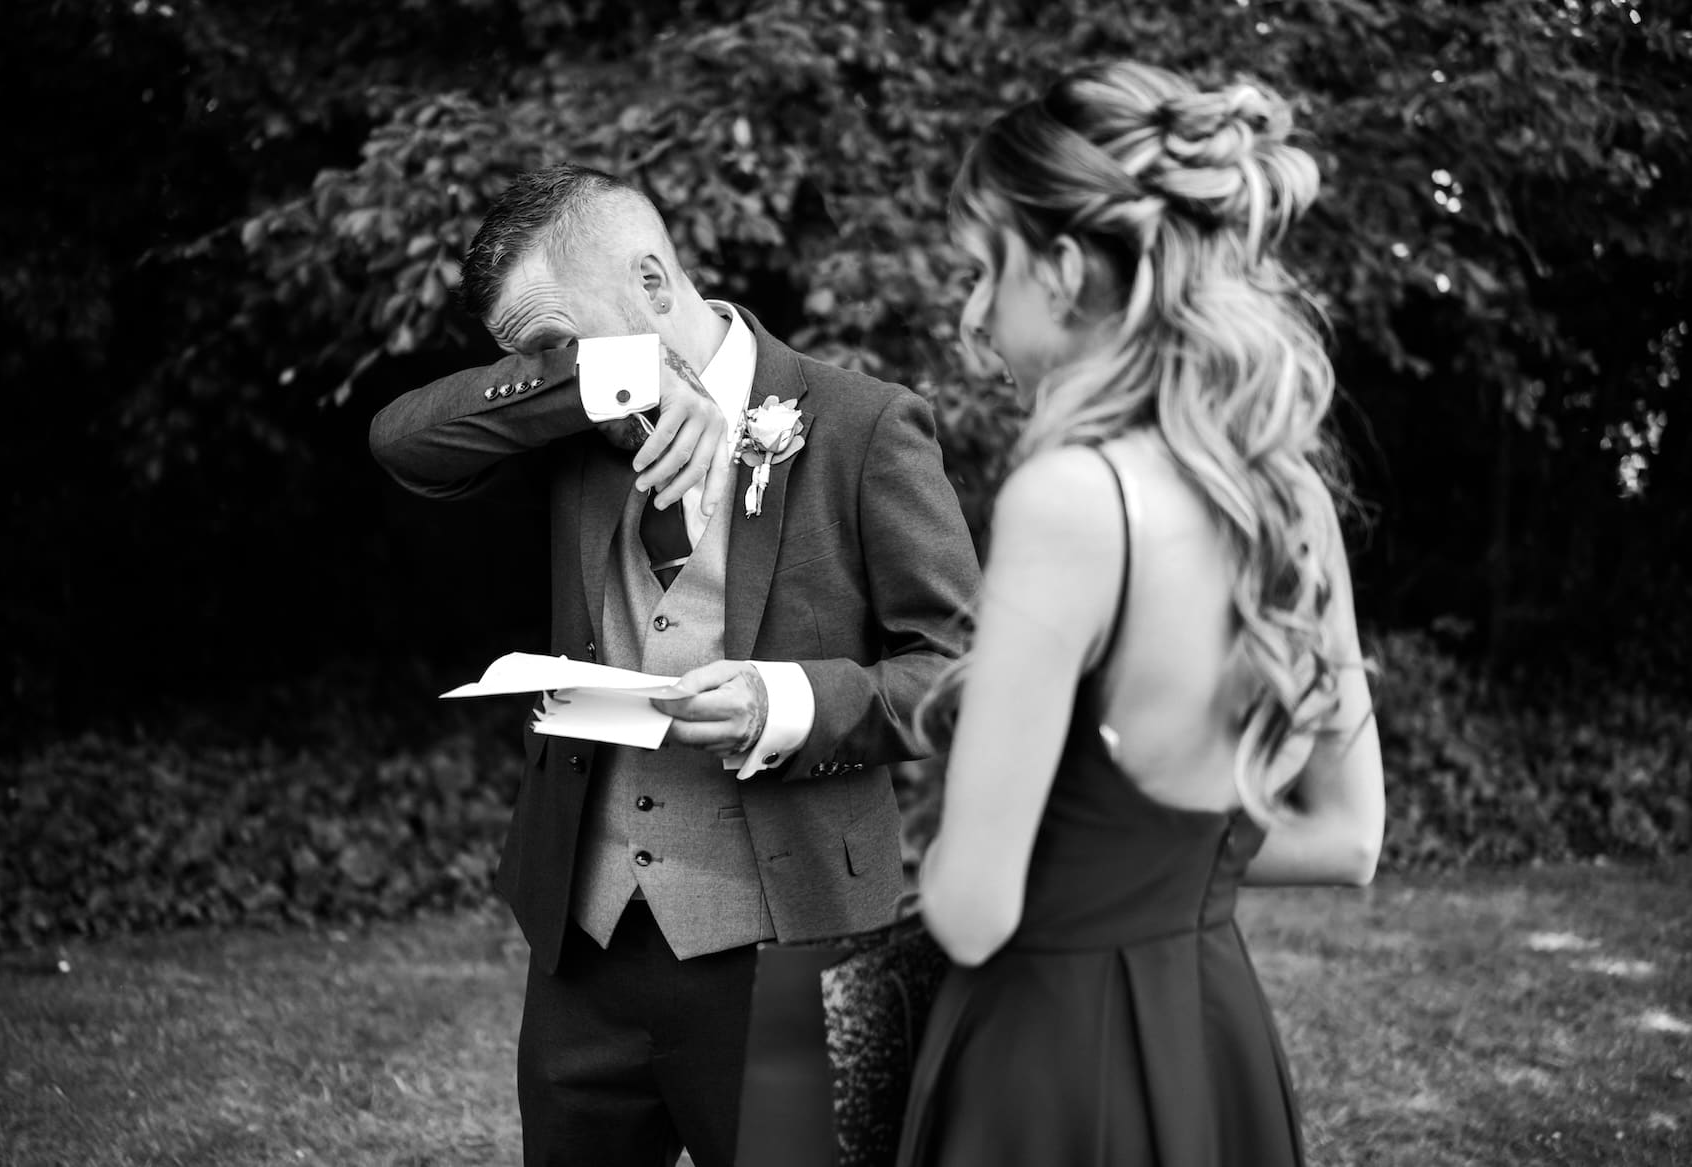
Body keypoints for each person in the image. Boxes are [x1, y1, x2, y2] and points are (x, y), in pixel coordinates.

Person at [368, 163, 979, 1167]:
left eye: (558, 342)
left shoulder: (862, 425)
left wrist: (783, 702)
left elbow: (959, 670)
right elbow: (400, 440)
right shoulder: (575, 423)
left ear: (651, 281)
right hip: (586, 944)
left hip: (790, 937)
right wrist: (606, 374)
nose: (549, 371)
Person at [896, 62, 1386, 1166]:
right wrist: (1154, 877)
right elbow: (1350, 837)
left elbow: (972, 909)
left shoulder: (1070, 499)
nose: (973, 318)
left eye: (985, 272)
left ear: (1064, 270)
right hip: (1210, 1036)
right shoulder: (1288, 496)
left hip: (1055, 1060)